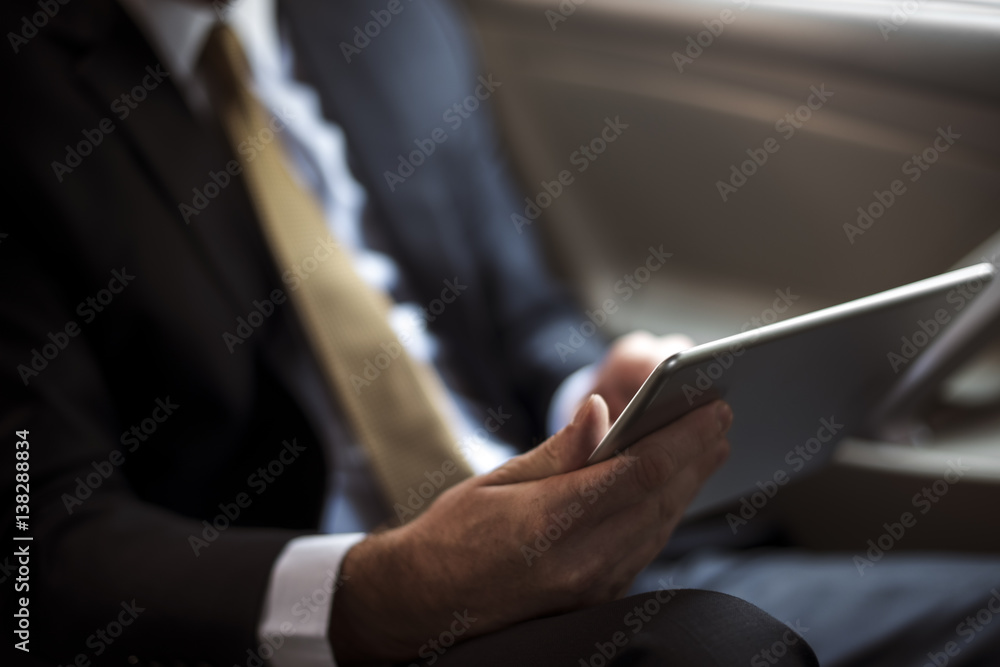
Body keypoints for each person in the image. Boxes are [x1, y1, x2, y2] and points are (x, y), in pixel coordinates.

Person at [0, 1, 985, 667]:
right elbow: (40, 552)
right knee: (720, 648)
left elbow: (523, 318)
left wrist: (594, 400)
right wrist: (385, 591)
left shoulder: (379, 19)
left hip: (577, 555)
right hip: (312, 626)